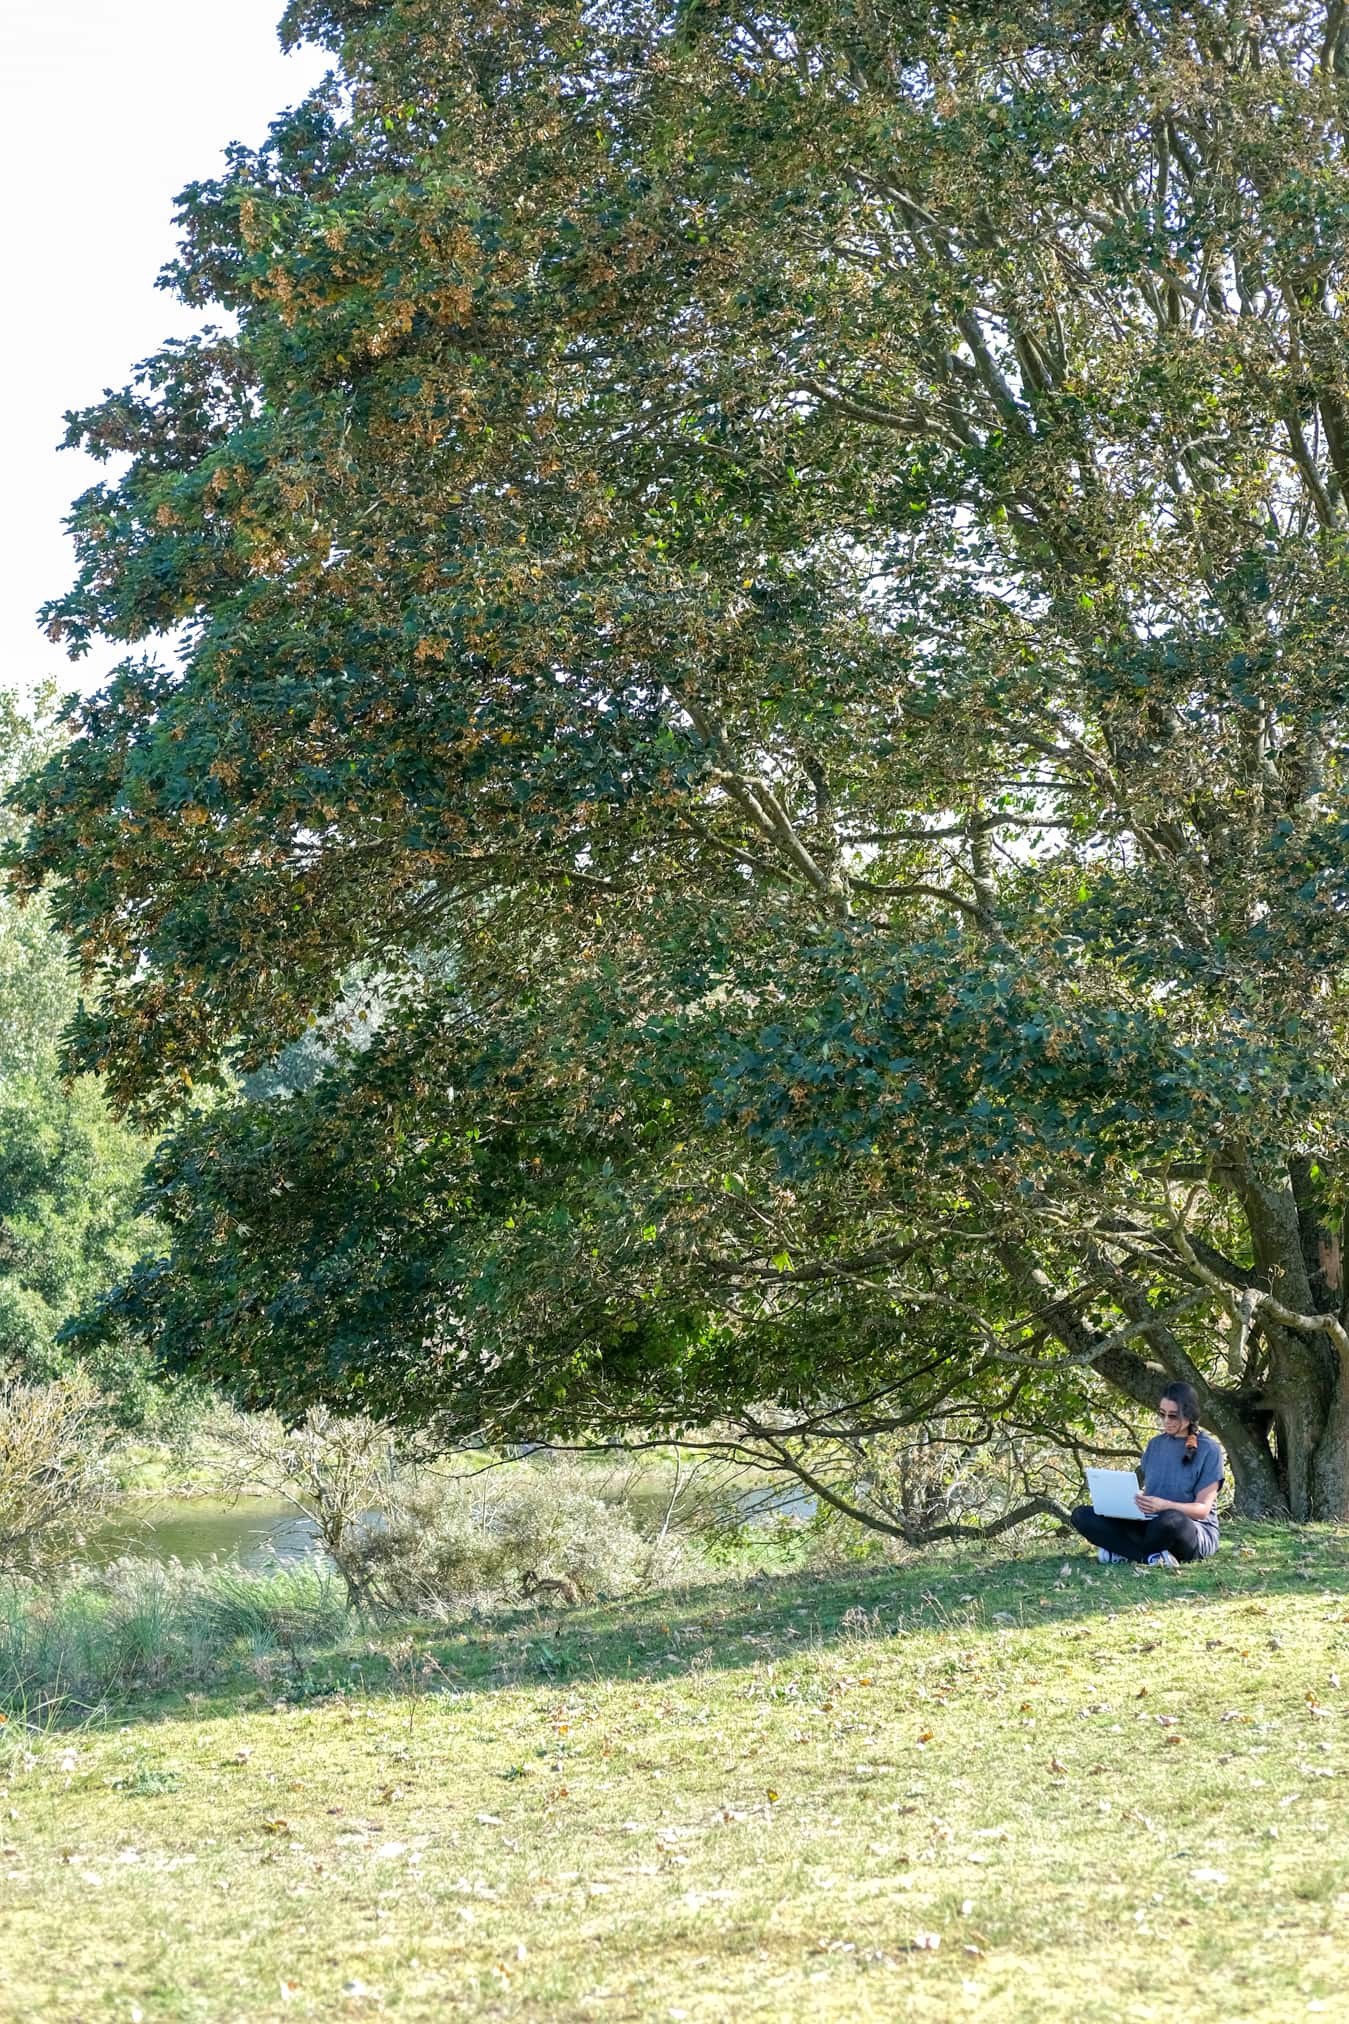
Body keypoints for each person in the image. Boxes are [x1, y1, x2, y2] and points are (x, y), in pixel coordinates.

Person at [1070, 1383, 1223, 1567]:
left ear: (1189, 1415)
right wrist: (1129, 1505)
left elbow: (1202, 1510)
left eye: (1173, 1416)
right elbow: (1150, 1491)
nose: (1166, 1420)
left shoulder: (1209, 1449)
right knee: (1082, 1515)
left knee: (1170, 1520)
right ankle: (1149, 1557)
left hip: (1188, 1529)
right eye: (1162, 1414)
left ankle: (1123, 1551)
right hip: (1150, 1524)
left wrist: (1165, 1505)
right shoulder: (1155, 1445)